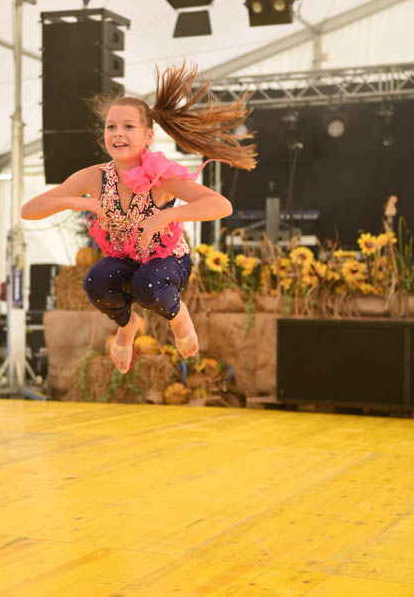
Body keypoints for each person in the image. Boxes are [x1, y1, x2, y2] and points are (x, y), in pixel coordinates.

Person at [21, 61, 257, 374]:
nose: (117, 133)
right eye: (111, 127)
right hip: (126, 260)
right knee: (95, 281)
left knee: (148, 284)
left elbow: (221, 205)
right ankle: (128, 325)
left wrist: (165, 217)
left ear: (148, 136)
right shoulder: (94, 177)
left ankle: (179, 316)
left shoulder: (162, 177)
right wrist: (74, 202)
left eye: (128, 127)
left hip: (168, 263)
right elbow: (28, 210)